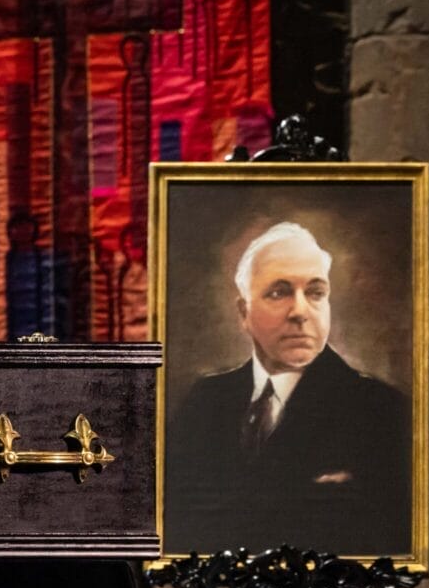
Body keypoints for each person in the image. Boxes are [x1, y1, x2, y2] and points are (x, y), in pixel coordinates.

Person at [164, 222, 410, 557]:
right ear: (243, 313)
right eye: (279, 292)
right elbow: (177, 524)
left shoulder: (380, 409)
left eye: (315, 293)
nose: (300, 312)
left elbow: (387, 542)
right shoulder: (205, 401)